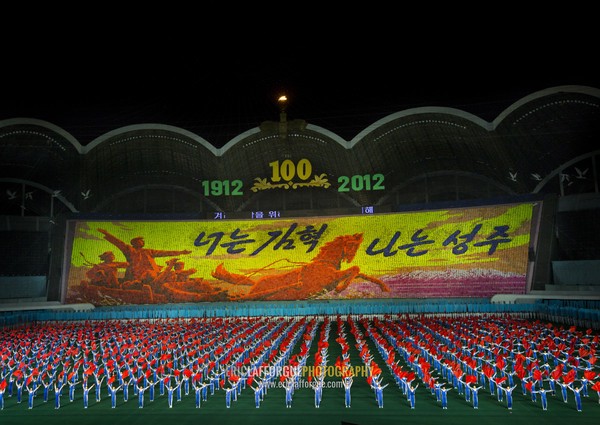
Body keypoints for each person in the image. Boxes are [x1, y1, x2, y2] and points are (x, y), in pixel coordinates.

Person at [97, 228, 192, 285]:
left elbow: (164, 252)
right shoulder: (129, 250)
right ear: (134, 243)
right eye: (139, 240)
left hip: (153, 274)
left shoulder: (148, 251)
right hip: (136, 275)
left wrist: (181, 252)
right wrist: (107, 234)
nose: (141, 242)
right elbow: (118, 242)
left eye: (142, 241)